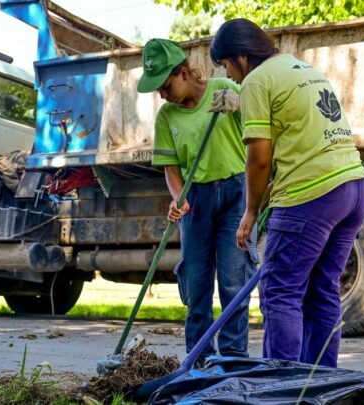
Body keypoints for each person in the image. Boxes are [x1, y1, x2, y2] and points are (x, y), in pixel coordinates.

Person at [210, 19, 364, 368]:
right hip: (355, 188)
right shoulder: (300, 68)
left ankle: (281, 386)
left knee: (280, 291)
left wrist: (251, 213)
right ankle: (319, 382)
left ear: (240, 56)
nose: (230, 76)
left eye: (225, 65)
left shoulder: (256, 80)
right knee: (322, 289)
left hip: (312, 194)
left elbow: (259, 159)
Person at [138, 38, 256, 365]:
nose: (163, 94)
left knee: (233, 282)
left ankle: (233, 360)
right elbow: (171, 170)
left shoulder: (222, 88)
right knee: (196, 284)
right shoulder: (166, 117)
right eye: (158, 90)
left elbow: (259, 128)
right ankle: (199, 360)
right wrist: (180, 198)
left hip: (235, 194)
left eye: (166, 85)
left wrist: (241, 103)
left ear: (184, 73)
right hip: (197, 201)